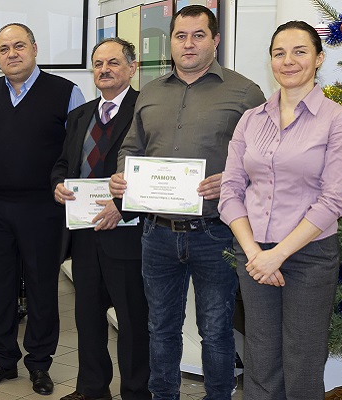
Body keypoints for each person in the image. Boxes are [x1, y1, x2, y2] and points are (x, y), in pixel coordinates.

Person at [108, 5, 266, 399]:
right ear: (171, 42)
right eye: (181, 36)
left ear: (215, 40)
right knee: (160, 327)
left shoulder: (245, 92)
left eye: (198, 35)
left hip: (216, 233)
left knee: (215, 330)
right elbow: (131, 147)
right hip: (157, 233)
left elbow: (264, 161)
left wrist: (231, 180)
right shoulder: (150, 92)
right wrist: (124, 175)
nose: (189, 43)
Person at [219, 21, 342, 399]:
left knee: (302, 360)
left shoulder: (337, 120)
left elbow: (333, 200)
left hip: (309, 255)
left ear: (319, 58)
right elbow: (230, 190)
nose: (288, 61)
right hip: (253, 254)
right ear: (271, 61)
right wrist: (255, 253)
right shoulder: (251, 120)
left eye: (300, 51)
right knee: (260, 356)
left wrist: (277, 255)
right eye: (279, 53)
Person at [0, 23, 85, 396]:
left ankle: (39, 363)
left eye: (19, 46)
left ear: (35, 49)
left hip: (43, 208)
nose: (12, 54)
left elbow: (78, 150)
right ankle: (3, 360)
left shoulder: (66, 92)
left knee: (41, 287)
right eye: (4, 49)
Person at [51, 37, 149, 400]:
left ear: (132, 68)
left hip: (127, 235)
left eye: (113, 63)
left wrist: (123, 207)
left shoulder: (146, 111)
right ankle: (92, 389)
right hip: (84, 235)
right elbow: (64, 163)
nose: (104, 70)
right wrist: (57, 185)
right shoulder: (80, 115)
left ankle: (136, 392)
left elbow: (150, 169)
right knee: (88, 319)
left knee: (133, 322)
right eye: (98, 64)